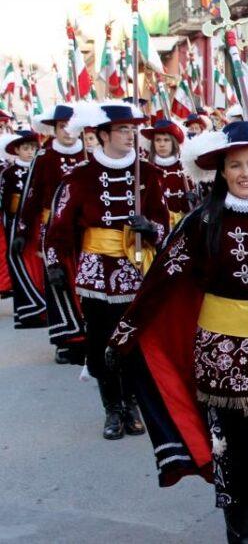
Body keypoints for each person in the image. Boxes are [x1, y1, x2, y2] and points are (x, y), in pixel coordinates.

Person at [105, 120, 248, 544]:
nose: (247, 172)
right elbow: (163, 277)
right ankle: (238, 529)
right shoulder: (203, 221)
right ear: (223, 172)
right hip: (222, 353)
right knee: (233, 448)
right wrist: (125, 332)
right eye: (236, 166)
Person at [45, 101, 168, 440]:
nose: (131, 135)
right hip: (96, 272)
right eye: (123, 130)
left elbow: (164, 223)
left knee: (132, 340)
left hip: (136, 268)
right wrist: (54, 263)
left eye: (132, 129)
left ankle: (131, 404)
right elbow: (59, 227)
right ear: (102, 135)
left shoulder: (149, 173)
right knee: (101, 341)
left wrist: (151, 228)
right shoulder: (80, 177)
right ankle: (111, 407)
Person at [16, 105, 87, 362]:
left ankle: (89, 336)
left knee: (85, 283)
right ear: (55, 130)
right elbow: (32, 195)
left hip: (84, 232)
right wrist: (23, 230)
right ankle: (67, 341)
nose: (67, 132)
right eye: (61, 128)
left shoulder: (89, 156)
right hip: (54, 231)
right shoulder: (44, 158)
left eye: (71, 127)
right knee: (59, 281)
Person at [0, 130, 44, 328]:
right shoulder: (8, 173)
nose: (30, 152)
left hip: (37, 221)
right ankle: (28, 309)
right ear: (16, 150)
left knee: (39, 260)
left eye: (33, 148)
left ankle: (44, 306)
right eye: (25, 148)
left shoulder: (41, 170)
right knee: (19, 259)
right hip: (15, 221)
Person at [143, 119, 195, 228]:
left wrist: (195, 200)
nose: (162, 144)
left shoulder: (186, 166)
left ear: (173, 142)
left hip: (183, 224)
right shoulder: (147, 167)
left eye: (166, 140)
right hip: (156, 226)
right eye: (158, 140)